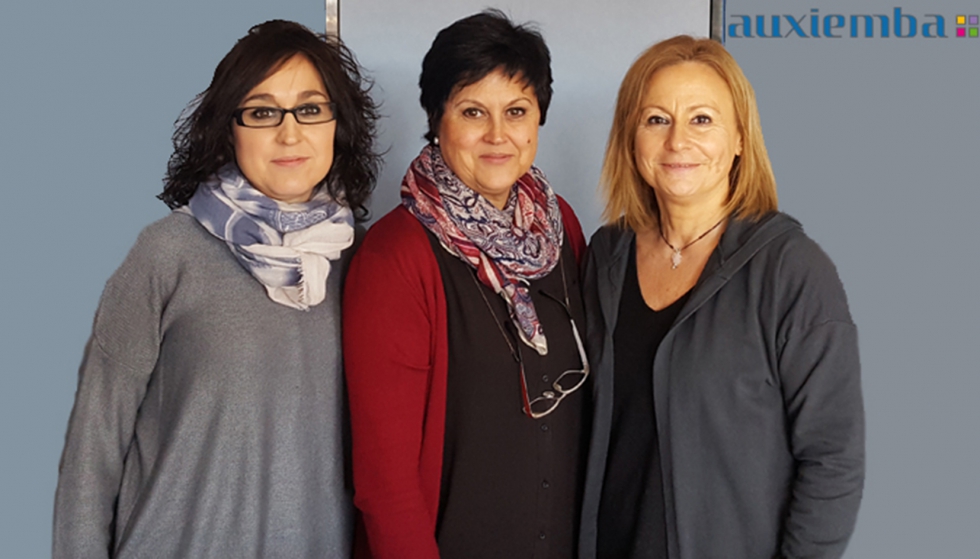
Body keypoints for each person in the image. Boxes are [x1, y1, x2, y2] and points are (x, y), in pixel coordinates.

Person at [53, 20, 380, 558]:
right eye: (261, 111)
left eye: (311, 108)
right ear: (229, 129)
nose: (290, 133)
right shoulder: (166, 254)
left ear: (337, 125)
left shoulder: (367, 264)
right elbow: (93, 451)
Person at [578, 35, 864, 559]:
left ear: (739, 139)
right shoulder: (605, 257)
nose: (677, 142)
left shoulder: (792, 271)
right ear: (631, 138)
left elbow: (833, 460)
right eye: (656, 119)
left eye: (702, 119)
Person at [343, 10, 590, 559]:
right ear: (437, 118)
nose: (498, 135)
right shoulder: (395, 257)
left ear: (538, 119)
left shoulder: (560, 227)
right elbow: (386, 485)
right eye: (473, 111)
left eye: (517, 111)